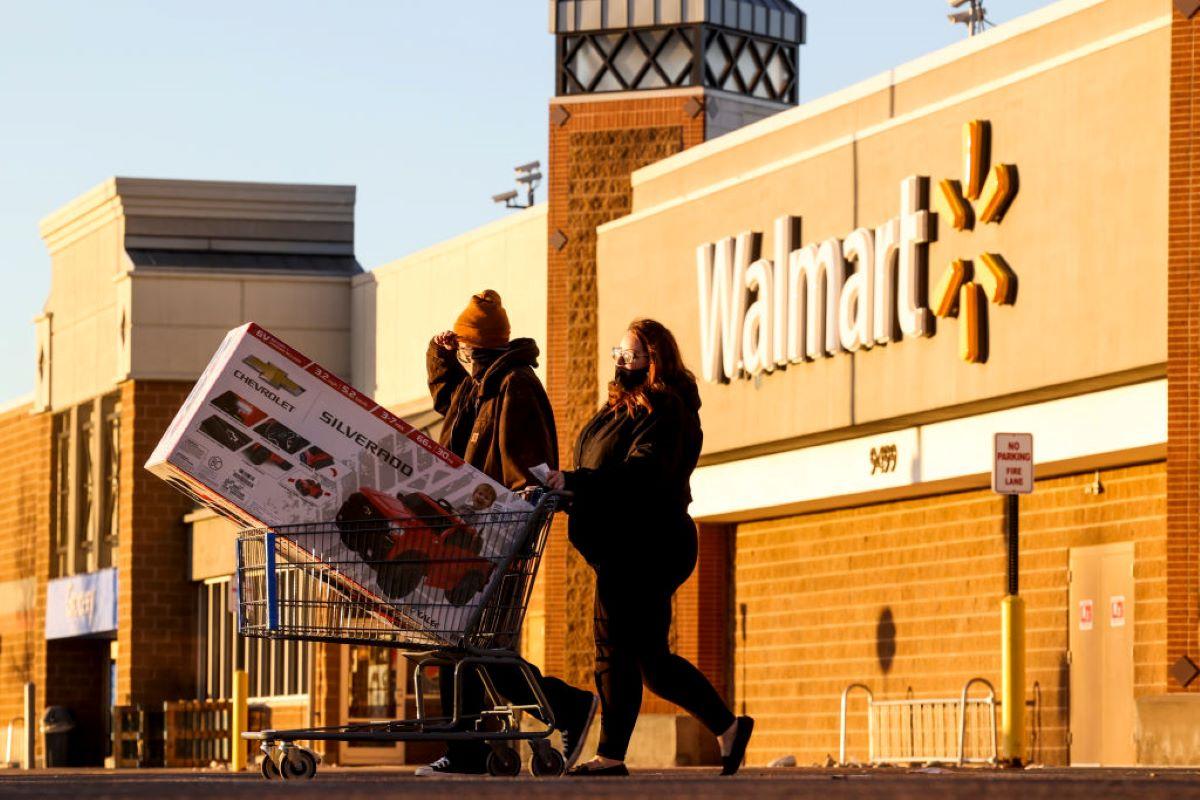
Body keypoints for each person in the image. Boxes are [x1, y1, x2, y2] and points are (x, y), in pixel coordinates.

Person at [546, 319, 754, 777]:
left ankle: (611, 755)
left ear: (652, 360)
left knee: (613, 648)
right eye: (617, 353)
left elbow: (642, 474)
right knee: (652, 663)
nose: (620, 362)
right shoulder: (622, 407)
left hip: (645, 545)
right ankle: (729, 728)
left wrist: (577, 483)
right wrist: (567, 491)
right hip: (630, 543)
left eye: (630, 355)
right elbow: (604, 471)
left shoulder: (665, 409)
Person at [419, 289, 598, 776]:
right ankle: (471, 751)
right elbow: (447, 400)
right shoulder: (482, 388)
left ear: (479, 350)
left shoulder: (515, 386)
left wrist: (523, 503)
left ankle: (565, 708)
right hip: (472, 537)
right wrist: (440, 353)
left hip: (497, 539)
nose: (462, 359)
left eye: (464, 350)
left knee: (472, 645)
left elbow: (529, 462)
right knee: (464, 644)